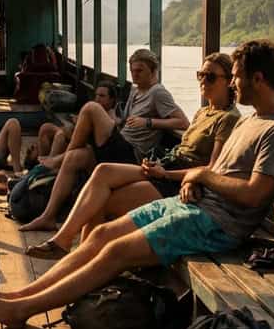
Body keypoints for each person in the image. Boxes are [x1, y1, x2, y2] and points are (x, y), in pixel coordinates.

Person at [0, 40, 274, 328]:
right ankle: (21, 294)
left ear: (258, 78)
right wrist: (193, 182)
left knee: (116, 251)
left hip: (216, 225)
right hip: (194, 204)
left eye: (237, 76)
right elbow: (224, 173)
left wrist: (198, 175)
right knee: (101, 233)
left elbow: (255, 192)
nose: (233, 82)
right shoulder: (253, 120)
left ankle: (23, 310)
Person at [25, 53, 240, 259]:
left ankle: (77, 257)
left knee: (103, 201)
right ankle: (65, 242)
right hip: (163, 165)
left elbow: (211, 168)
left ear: (230, 81)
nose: (203, 80)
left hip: (177, 182)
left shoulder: (228, 118)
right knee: (102, 172)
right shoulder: (203, 112)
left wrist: (165, 174)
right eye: (200, 75)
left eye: (210, 76)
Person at [18, 48, 187, 233]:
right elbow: (127, 122)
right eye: (132, 70)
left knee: (91, 108)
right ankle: (48, 217)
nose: (135, 75)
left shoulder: (158, 93)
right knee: (74, 157)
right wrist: (117, 121)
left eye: (140, 71)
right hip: (120, 142)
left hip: (132, 153)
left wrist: (148, 122)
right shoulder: (135, 90)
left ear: (153, 71)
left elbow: (183, 122)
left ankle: (57, 159)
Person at [36, 81, 118, 161]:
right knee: (46, 128)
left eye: (102, 96)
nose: (97, 99)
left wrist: (79, 123)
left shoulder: (110, 117)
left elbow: (93, 139)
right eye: (96, 95)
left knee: (60, 135)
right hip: (78, 138)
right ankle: (41, 162)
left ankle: (48, 165)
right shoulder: (94, 111)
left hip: (88, 148)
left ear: (111, 100)